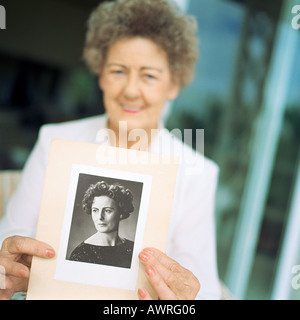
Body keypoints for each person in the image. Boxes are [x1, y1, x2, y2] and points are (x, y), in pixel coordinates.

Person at [0, 0, 221, 300]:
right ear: (101, 74)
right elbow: (7, 240)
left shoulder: (199, 173)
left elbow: (205, 290)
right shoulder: (53, 140)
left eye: (149, 76)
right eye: (118, 71)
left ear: (174, 84)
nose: (131, 90)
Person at [69, 181, 135, 268]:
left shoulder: (132, 248)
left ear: (121, 212)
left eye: (107, 210)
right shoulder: (81, 253)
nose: (100, 217)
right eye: (95, 210)